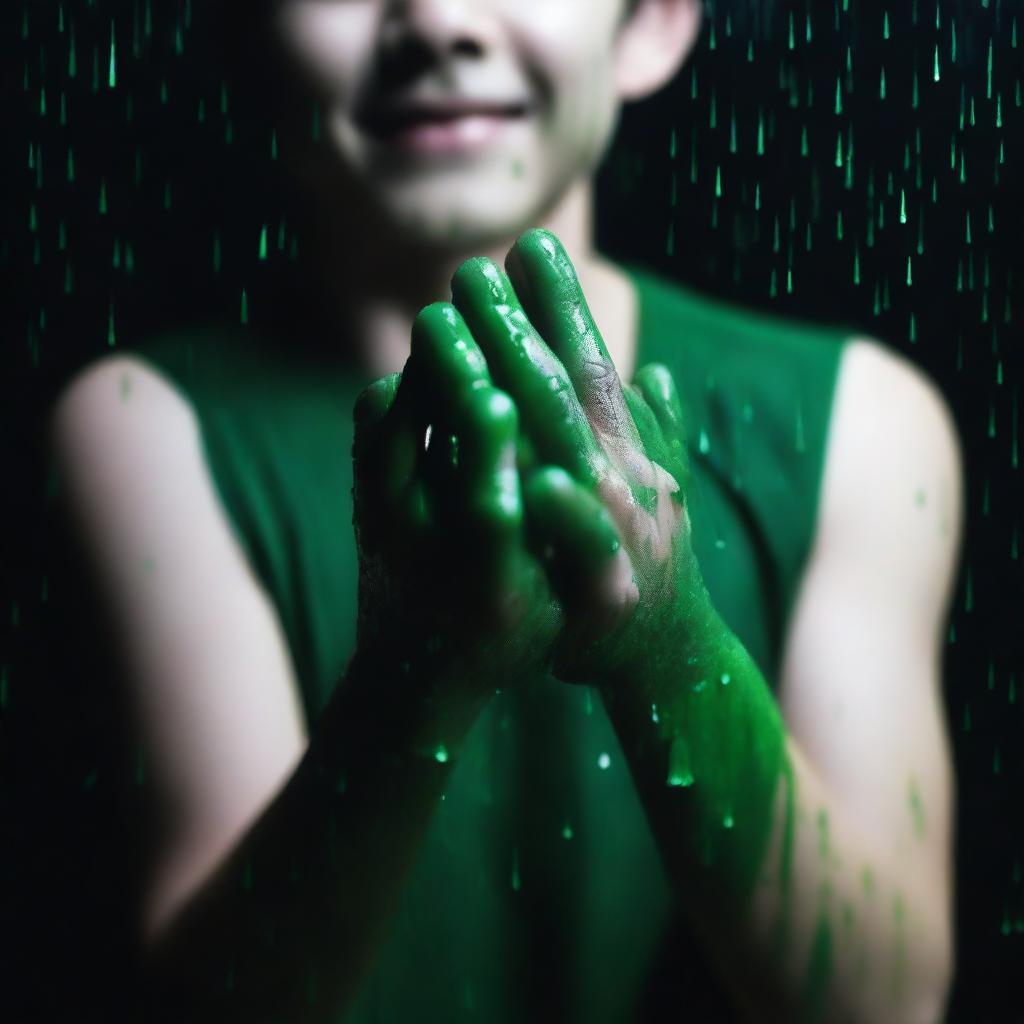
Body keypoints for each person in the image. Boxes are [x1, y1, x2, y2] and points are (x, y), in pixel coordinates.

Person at [42, 0, 962, 1021]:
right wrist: (413, 675)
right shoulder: (143, 428)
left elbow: (885, 1005)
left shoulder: (862, 421)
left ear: (651, 22)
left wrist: (670, 639)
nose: (436, 20)